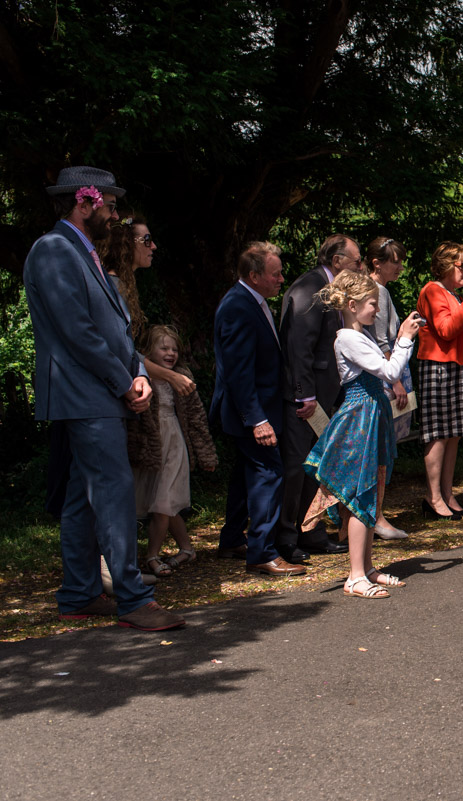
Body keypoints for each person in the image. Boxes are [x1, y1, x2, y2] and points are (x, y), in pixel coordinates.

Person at [24, 166, 182, 631]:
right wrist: (123, 380)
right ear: (84, 202)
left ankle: (78, 593)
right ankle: (132, 598)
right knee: (113, 492)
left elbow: (115, 330)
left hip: (98, 390)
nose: (115, 216)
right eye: (110, 206)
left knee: (81, 498)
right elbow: (78, 332)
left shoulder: (85, 252)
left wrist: (137, 371)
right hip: (84, 393)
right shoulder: (54, 249)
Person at [302, 271, 422, 598]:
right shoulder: (348, 338)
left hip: (372, 415)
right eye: (372, 304)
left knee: (374, 489)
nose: (377, 311)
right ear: (353, 305)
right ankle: (355, 577)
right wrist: (404, 338)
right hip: (359, 419)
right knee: (359, 495)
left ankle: (366, 567)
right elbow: (389, 371)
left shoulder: (361, 335)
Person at [211, 242, 305, 578]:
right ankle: (261, 552)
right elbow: (238, 371)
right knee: (269, 474)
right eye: (275, 273)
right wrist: (257, 419)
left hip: (256, 410)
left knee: (244, 475)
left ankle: (233, 539)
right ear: (253, 276)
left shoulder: (252, 302)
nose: (282, 278)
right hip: (252, 413)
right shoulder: (238, 306)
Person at [275, 234, 361, 562]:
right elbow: (299, 347)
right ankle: (285, 538)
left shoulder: (331, 288)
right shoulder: (309, 289)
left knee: (316, 466)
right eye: (355, 262)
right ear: (337, 261)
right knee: (296, 467)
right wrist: (305, 396)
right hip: (305, 400)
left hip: (325, 396)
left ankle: (310, 532)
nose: (360, 267)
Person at [127, 325, 218, 577]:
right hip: (152, 445)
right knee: (165, 502)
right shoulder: (139, 378)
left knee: (163, 502)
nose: (170, 353)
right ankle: (187, 549)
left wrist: (206, 455)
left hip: (174, 443)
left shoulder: (182, 379)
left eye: (174, 349)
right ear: (148, 351)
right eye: (163, 348)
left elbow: (197, 420)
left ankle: (152, 555)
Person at [415, 241, 463, 520]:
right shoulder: (432, 290)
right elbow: (445, 329)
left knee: (453, 434)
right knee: (438, 434)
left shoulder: (452, 294)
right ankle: (433, 497)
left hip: (457, 368)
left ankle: (447, 492)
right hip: (438, 368)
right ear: (446, 265)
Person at [366, 236, 414, 540]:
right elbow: (382, 341)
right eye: (393, 260)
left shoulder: (378, 290)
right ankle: (377, 516)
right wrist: (395, 382)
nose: (399, 266)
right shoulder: (378, 292)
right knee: (383, 449)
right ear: (377, 263)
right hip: (388, 376)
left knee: (384, 447)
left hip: (388, 373)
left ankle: (375, 514)